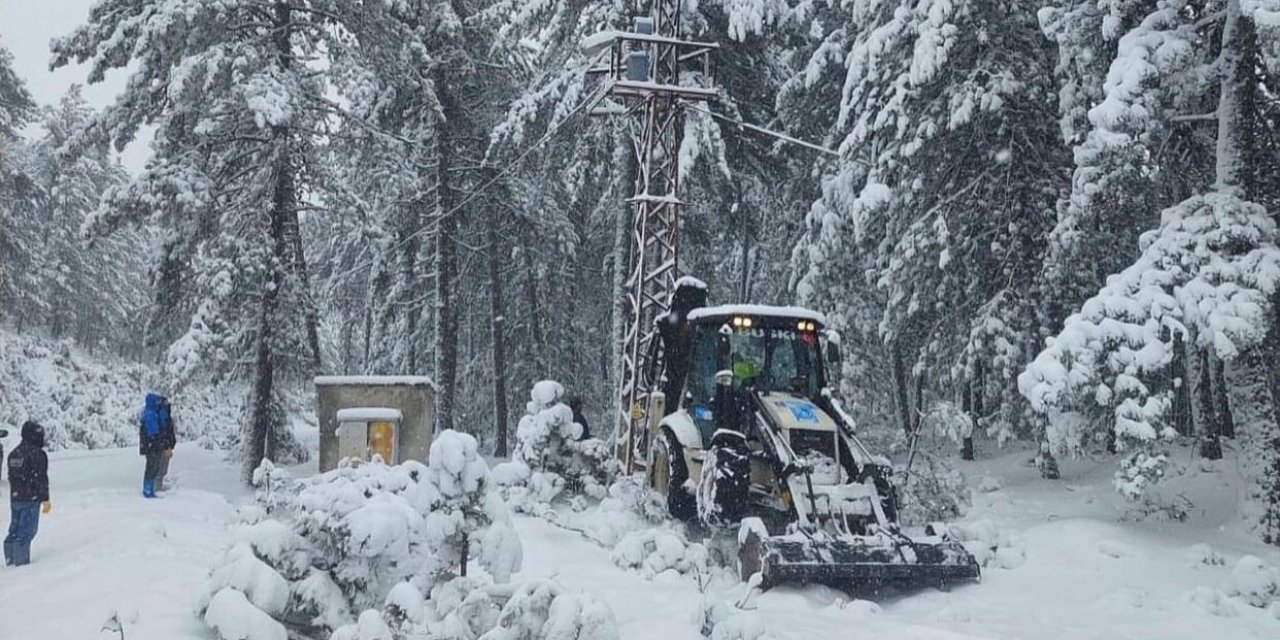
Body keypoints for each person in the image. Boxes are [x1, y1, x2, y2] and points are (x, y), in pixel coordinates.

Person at [5, 421, 51, 566]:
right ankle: (21, 565)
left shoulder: (13, 454)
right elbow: (41, 478)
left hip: (15, 499)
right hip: (31, 500)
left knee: (14, 531)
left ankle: (10, 561)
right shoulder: (38, 454)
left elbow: (11, 477)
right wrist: (45, 499)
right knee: (26, 533)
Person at [139, 392, 169, 498]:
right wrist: (158, 439)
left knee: (152, 466)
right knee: (152, 466)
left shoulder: (148, 412)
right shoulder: (150, 414)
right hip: (152, 446)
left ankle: (149, 487)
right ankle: (148, 489)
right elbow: (153, 431)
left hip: (151, 445)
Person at [153, 397, 177, 492]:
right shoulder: (164, 414)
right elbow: (165, 432)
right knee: (161, 470)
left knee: (158, 469)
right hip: (164, 447)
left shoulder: (160, 414)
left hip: (160, 447)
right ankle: (157, 489)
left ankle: (155, 487)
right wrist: (167, 447)